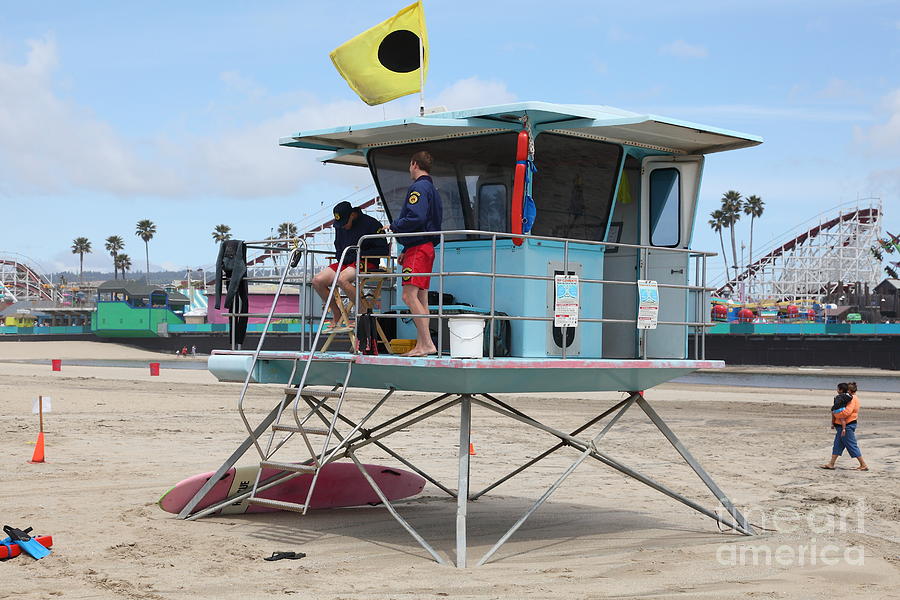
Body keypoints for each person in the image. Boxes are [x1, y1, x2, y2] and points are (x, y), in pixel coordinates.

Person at [386, 150, 443, 356]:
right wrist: (406, 247)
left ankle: (426, 344)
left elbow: (416, 218)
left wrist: (395, 226)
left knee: (408, 296)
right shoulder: (433, 190)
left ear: (414, 164)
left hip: (419, 248)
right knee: (422, 298)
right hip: (423, 247)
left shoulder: (418, 188)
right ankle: (422, 344)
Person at [311, 201, 390, 328]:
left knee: (342, 279)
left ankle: (363, 314)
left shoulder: (372, 224)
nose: (342, 227)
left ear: (353, 215)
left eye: (344, 223)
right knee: (317, 281)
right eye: (339, 224)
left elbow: (383, 250)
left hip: (366, 262)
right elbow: (338, 247)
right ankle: (337, 313)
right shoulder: (340, 226)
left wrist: (360, 254)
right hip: (345, 261)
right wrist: (343, 256)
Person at [820, 381, 869, 471]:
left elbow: (847, 413)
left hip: (847, 426)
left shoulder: (852, 398)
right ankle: (831, 464)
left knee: (851, 445)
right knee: (837, 445)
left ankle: (863, 464)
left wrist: (835, 414)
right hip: (842, 425)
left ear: (849, 390)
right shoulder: (848, 397)